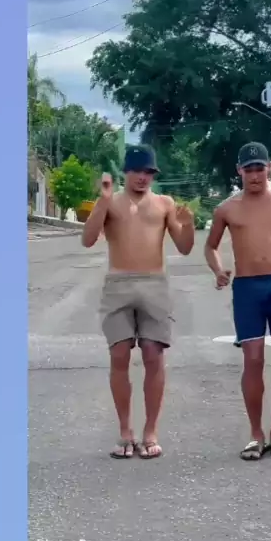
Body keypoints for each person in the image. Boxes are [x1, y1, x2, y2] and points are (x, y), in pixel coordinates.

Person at [82, 145, 195, 459]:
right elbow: (88, 239)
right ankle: (125, 431)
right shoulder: (111, 202)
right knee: (119, 354)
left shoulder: (164, 203)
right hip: (118, 285)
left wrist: (188, 225)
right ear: (126, 172)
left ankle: (150, 431)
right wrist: (103, 202)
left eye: (149, 172)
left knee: (153, 355)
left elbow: (184, 247)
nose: (143, 177)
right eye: (137, 171)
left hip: (154, 284)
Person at [204, 142, 271, 461]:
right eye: (249, 169)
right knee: (253, 358)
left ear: (269, 168)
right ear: (240, 171)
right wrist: (219, 270)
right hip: (248, 288)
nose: (255, 175)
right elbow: (211, 246)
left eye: (260, 168)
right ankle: (256, 434)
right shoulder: (227, 209)